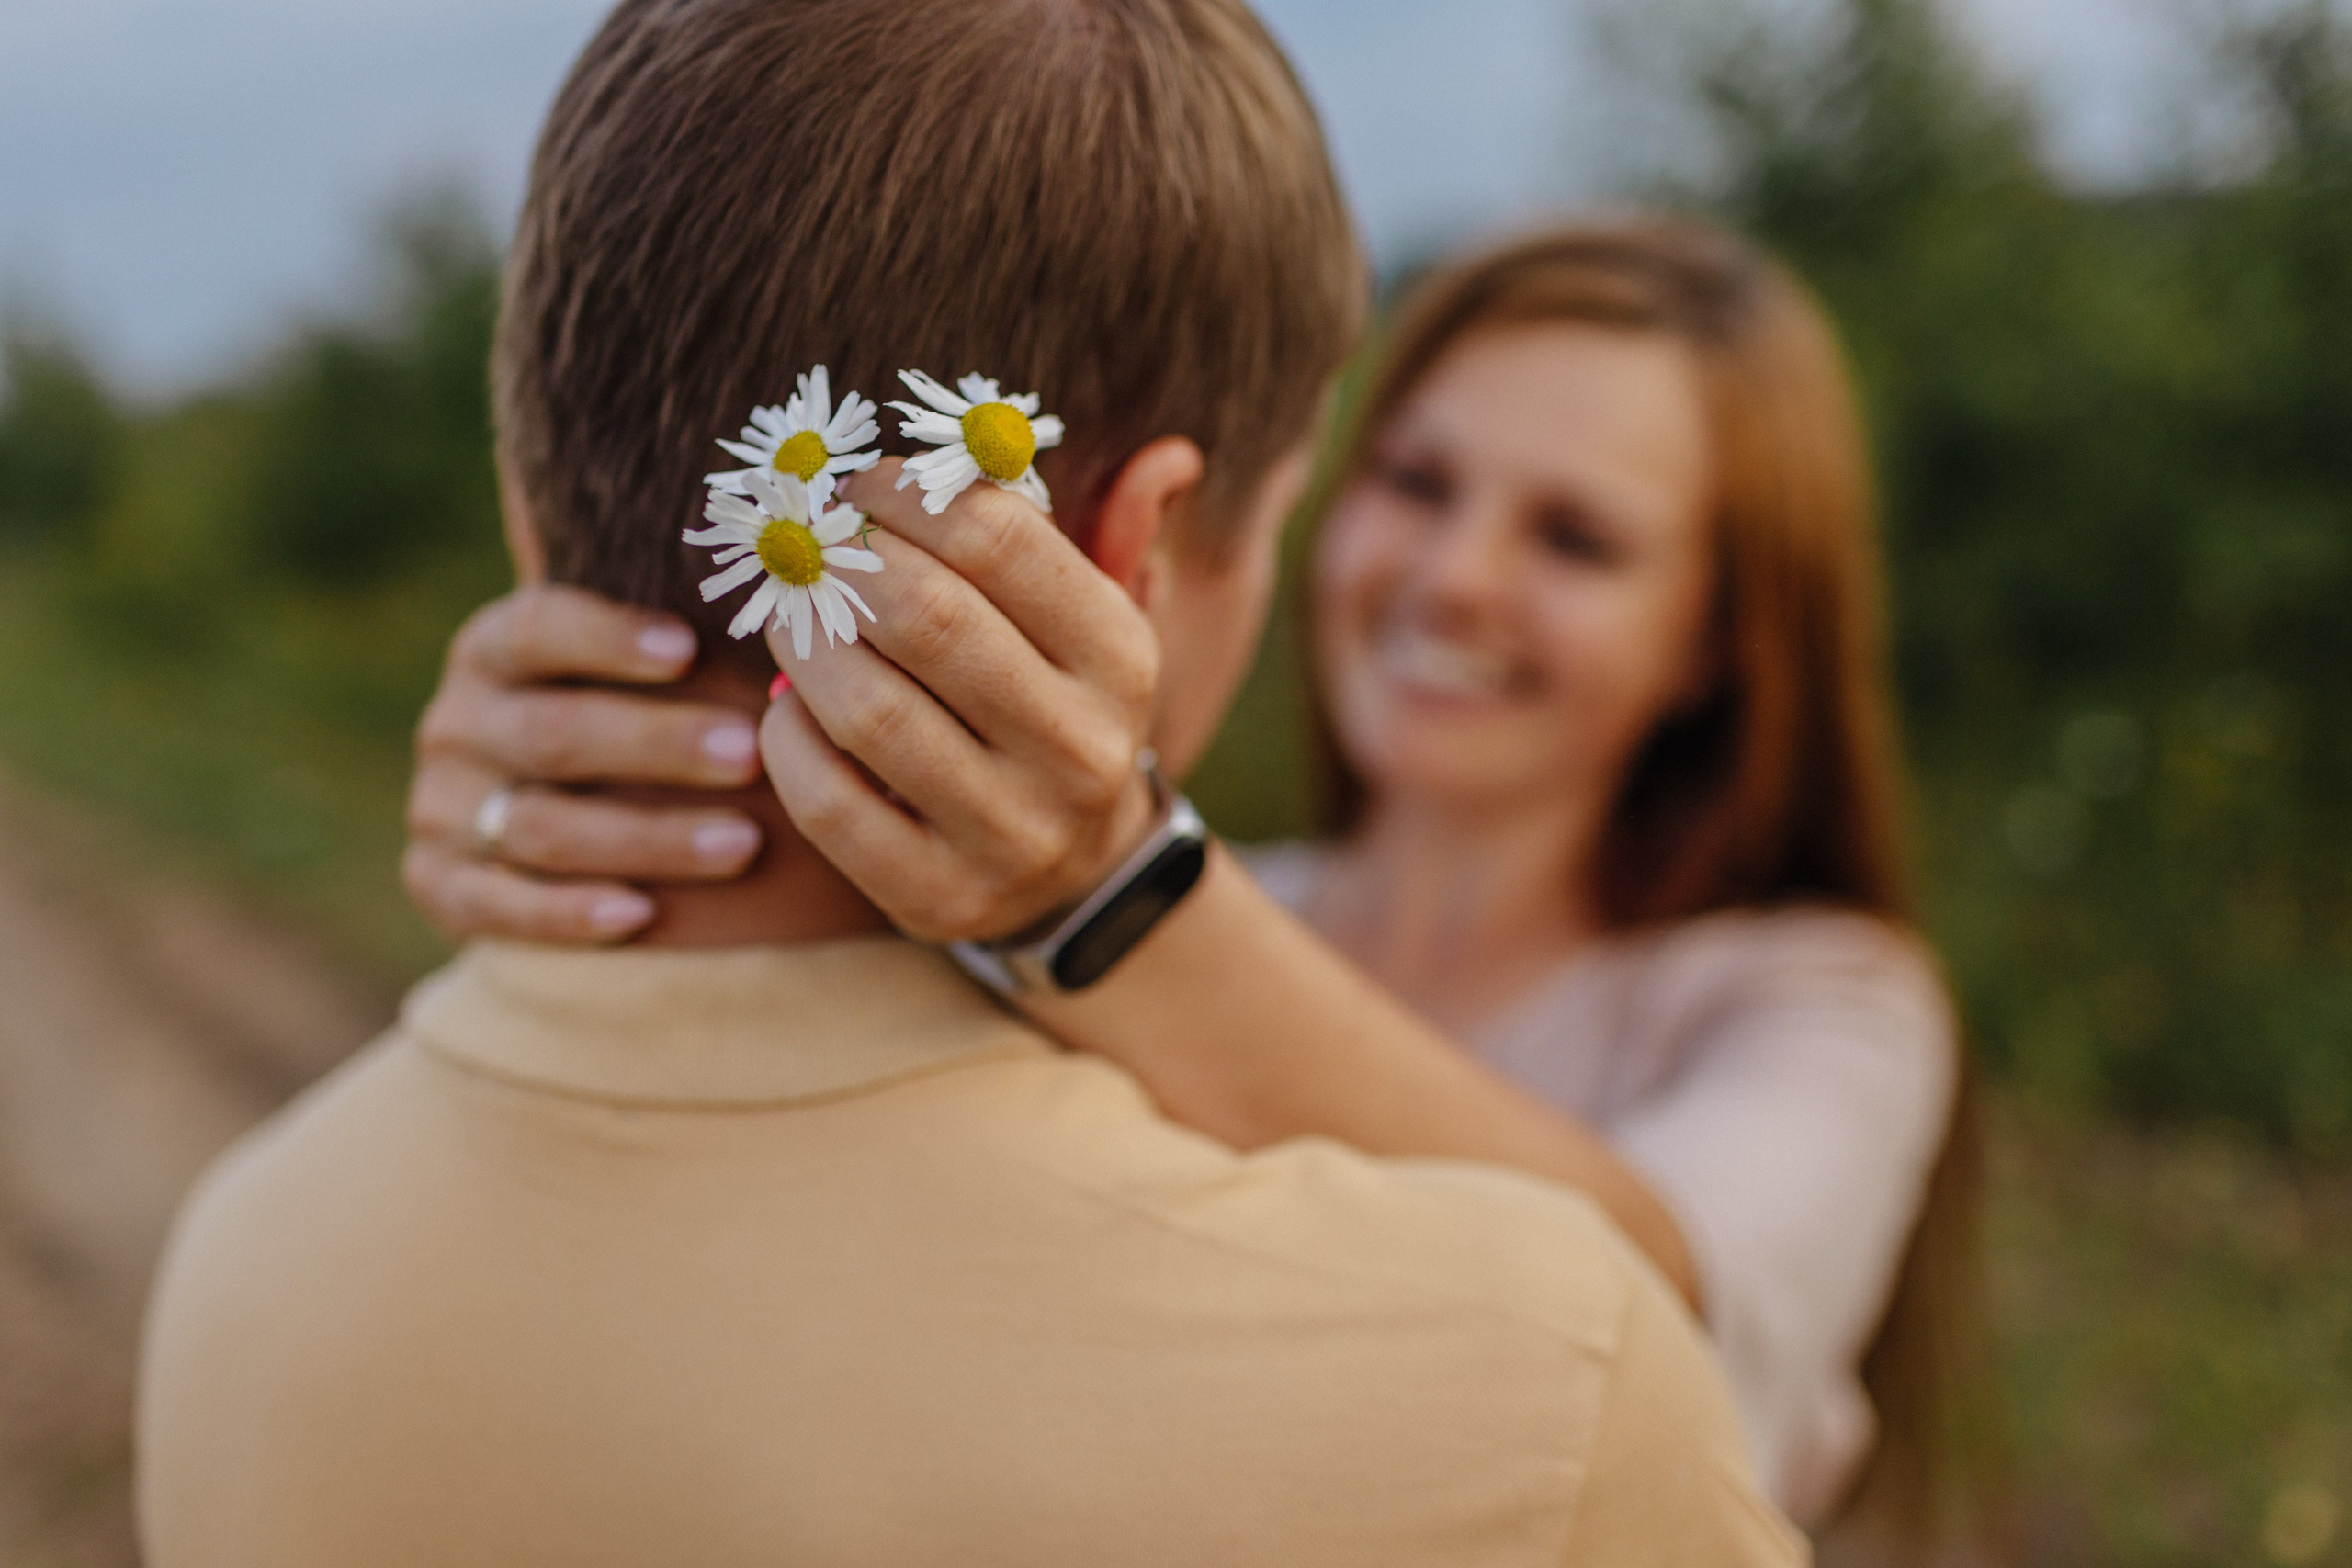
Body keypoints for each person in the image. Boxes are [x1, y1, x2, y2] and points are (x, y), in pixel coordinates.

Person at [136, 4, 1802, 1565]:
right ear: (1130, 550)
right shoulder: (1540, 1391)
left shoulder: (238, 1261)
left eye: (1574, 533)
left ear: (524, 500)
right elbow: (1644, 1331)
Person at [401, 220, 1985, 1551]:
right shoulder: (1224, 911)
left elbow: (1658, 1352)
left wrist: (1110, 889)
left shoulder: (1824, 1003)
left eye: (1574, 538)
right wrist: (593, 810)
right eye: (1419, 482)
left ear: (1718, 637)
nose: (1455, 577)